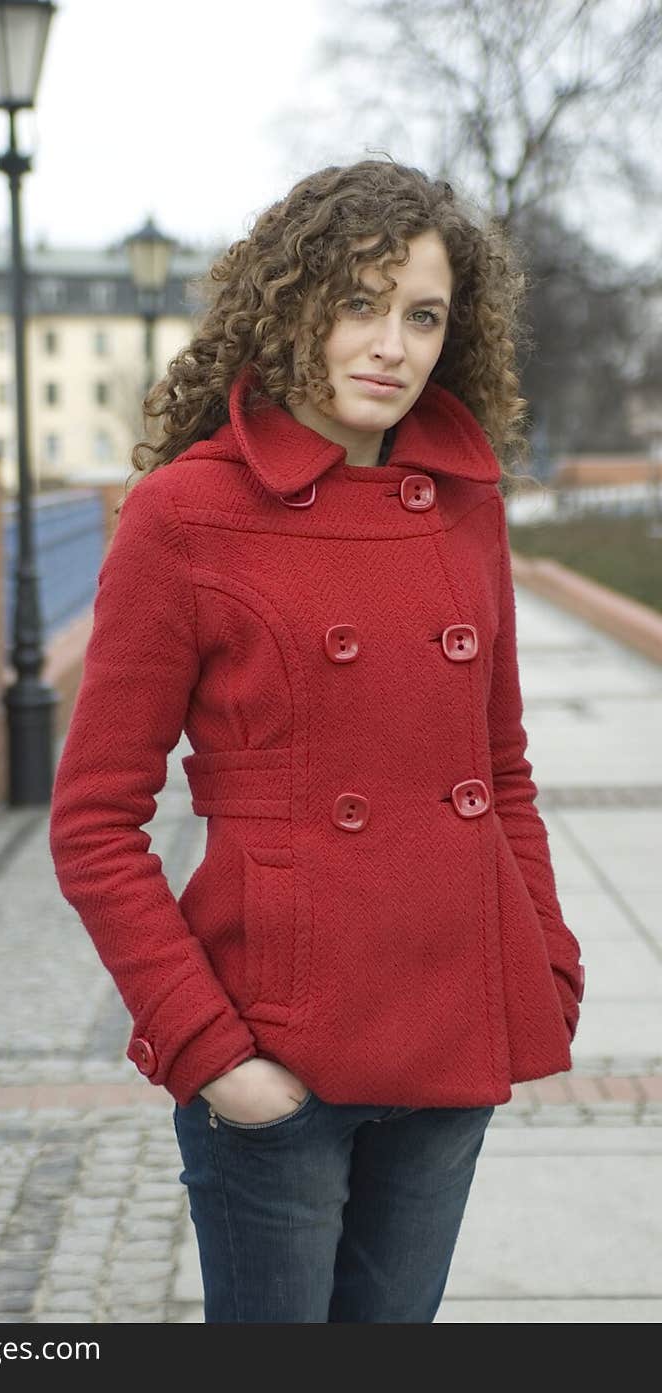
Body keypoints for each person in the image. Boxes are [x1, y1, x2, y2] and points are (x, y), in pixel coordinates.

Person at [48, 157, 586, 1323]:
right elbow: (95, 822)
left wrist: (542, 965)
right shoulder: (186, 513)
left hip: (450, 1032)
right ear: (289, 305)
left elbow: (499, 771)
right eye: (358, 301)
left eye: (422, 314)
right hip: (273, 1049)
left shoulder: (463, 503)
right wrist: (210, 1056)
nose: (389, 343)